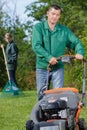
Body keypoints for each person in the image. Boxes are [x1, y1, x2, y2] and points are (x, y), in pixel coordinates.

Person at [32, 4, 85, 100]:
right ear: (47, 14)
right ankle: (43, 115)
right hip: (42, 68)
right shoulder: (38, 27)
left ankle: (57, 115)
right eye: (53, 14)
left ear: (59, 16)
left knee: (58, 96)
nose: (54, 17)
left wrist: (79, 52)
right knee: (42, 97)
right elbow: (36, 46)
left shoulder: (64, 30)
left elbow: (76, 42)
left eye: (57, 15)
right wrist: (49, 58)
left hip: (58, 68)